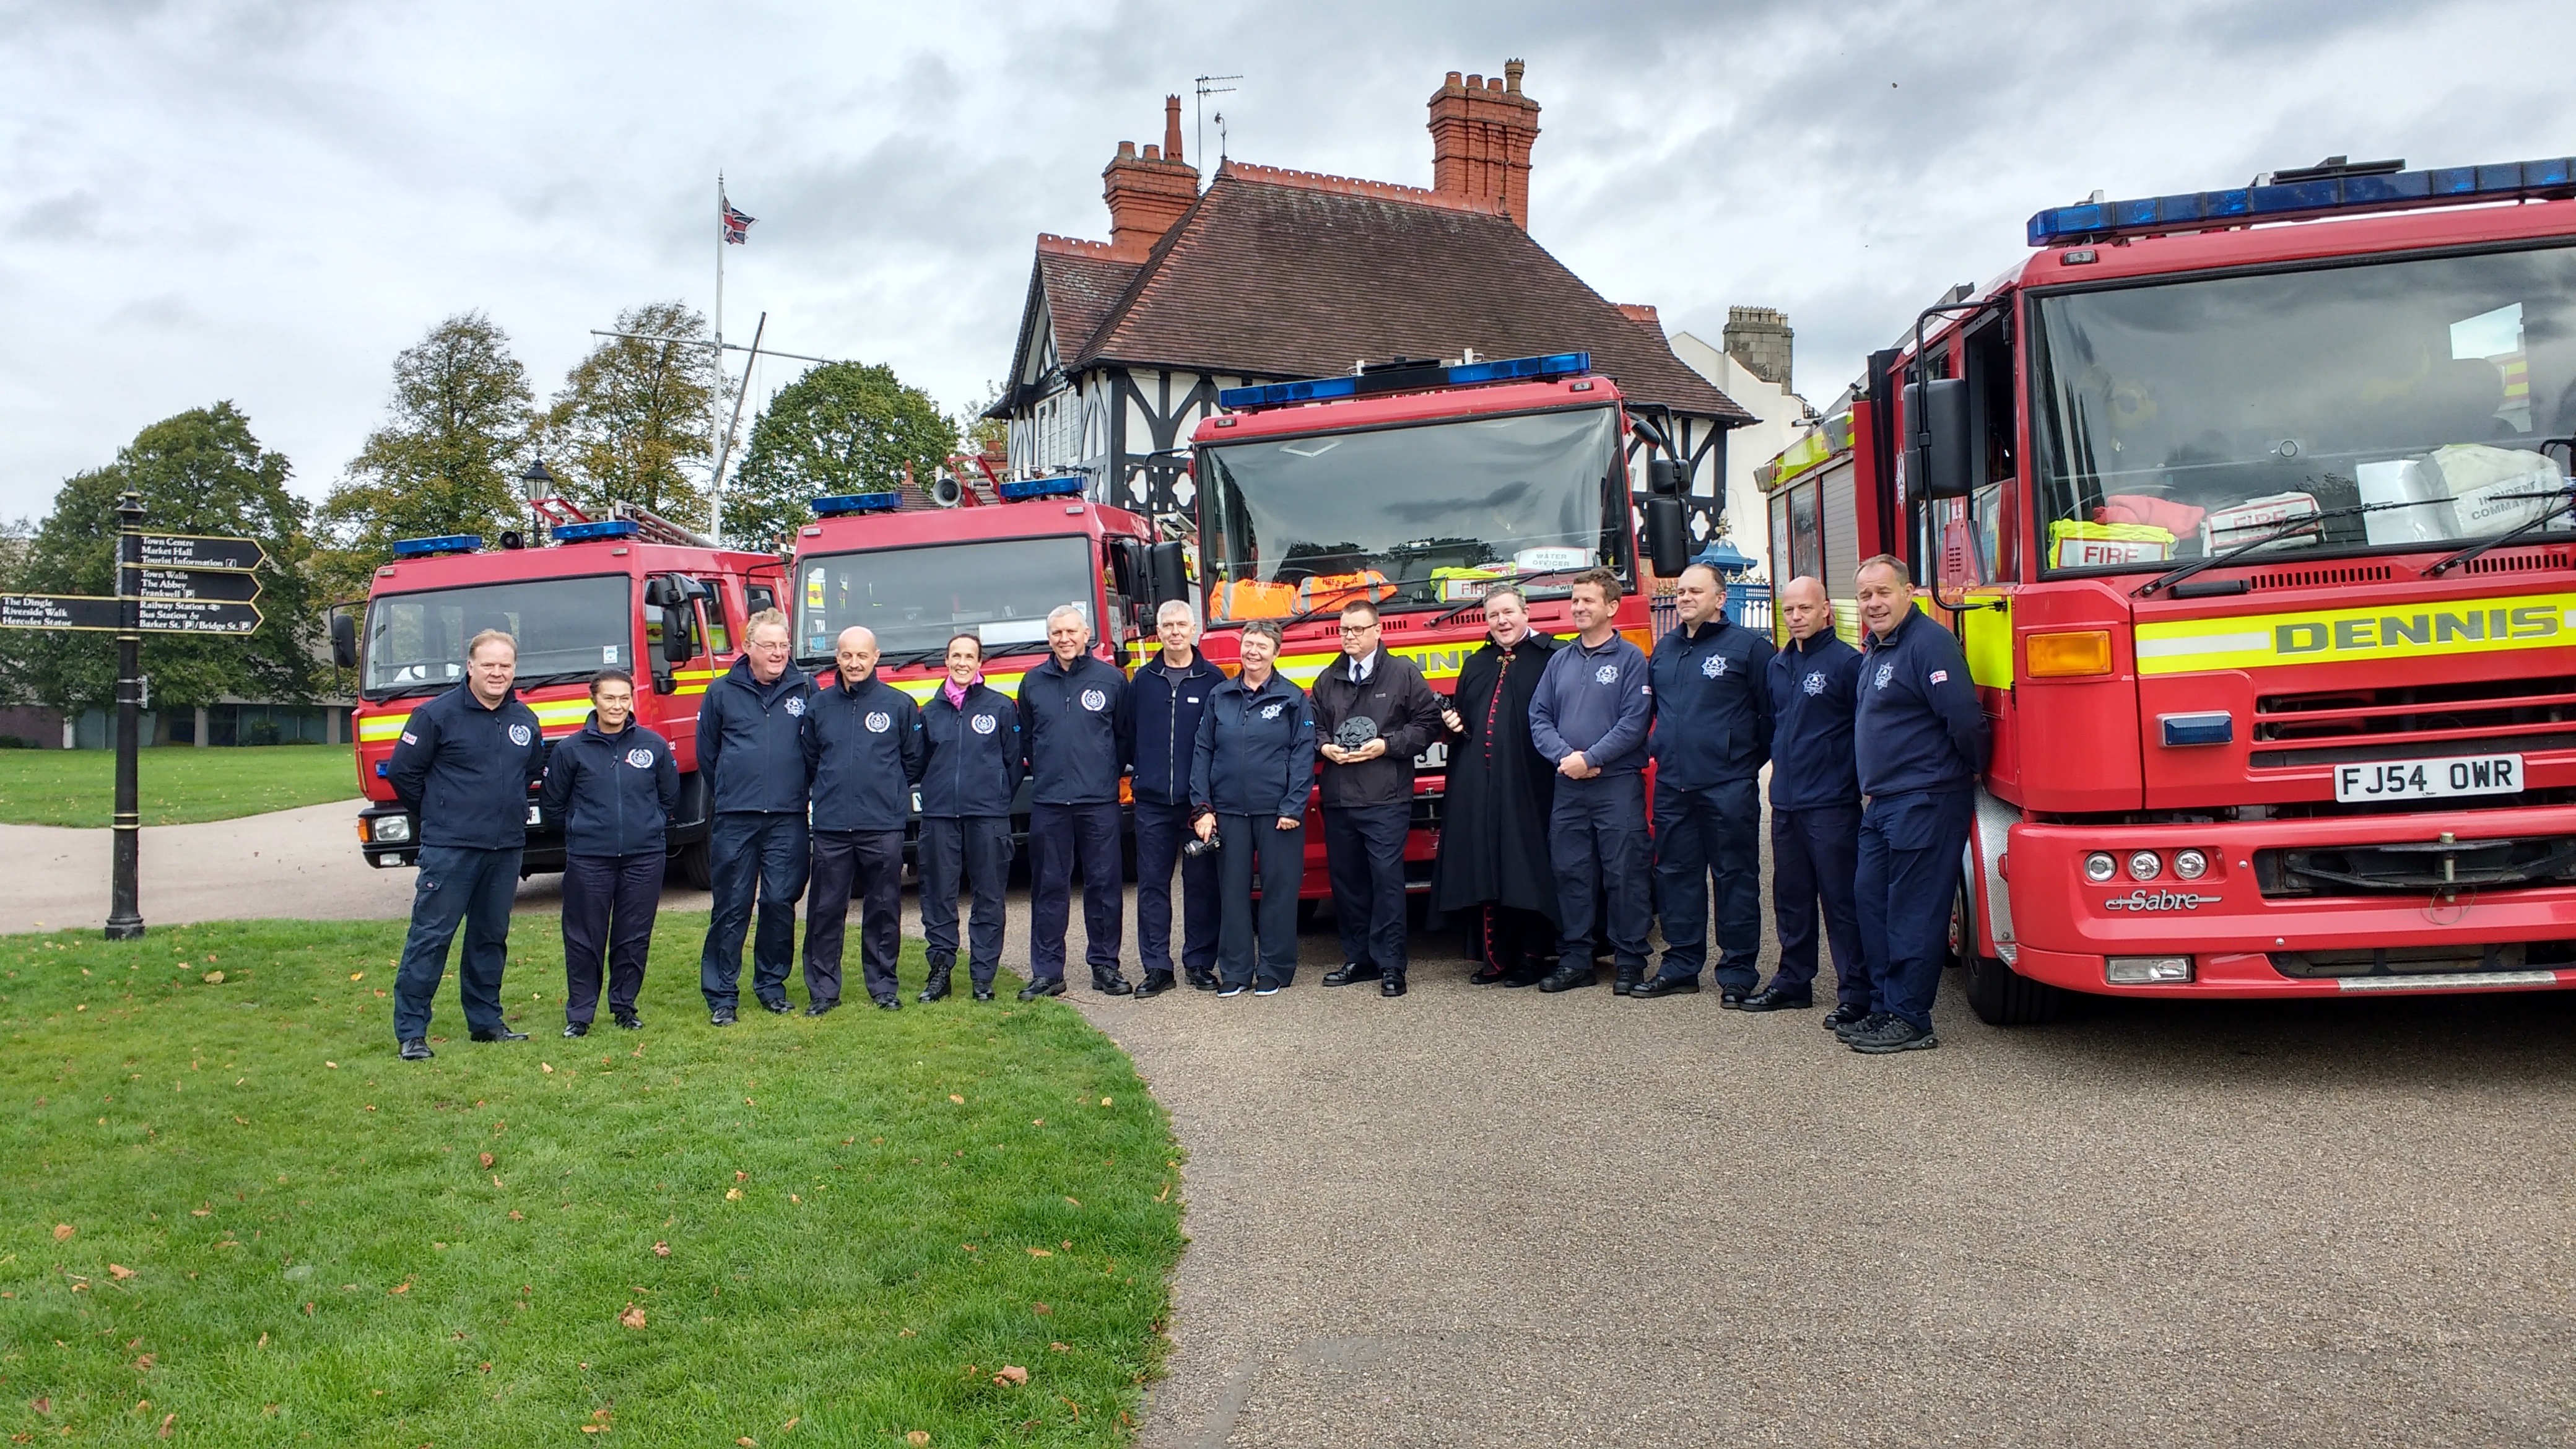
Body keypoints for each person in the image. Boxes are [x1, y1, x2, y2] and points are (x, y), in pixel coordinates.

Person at [1845, 554, 1990, 1054]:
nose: (1874, 603)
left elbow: (1964, 718)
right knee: (1873, 904)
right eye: (1865, 595)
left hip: (1925, 799)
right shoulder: (1877, 648)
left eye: (1883, 592)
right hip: (1884, 803)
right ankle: (1885, 1007)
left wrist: (1972, 767)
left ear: (1909, 593)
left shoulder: (1930, 644)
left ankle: (1910, 1018)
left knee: (1914, 912)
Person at [385, 629, 547, 1060]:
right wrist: (442, 813)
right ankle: (412, 1032)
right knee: (431, 938)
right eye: (488, 665)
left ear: (515, 669)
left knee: (489, 938)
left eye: (505, 665)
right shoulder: (435, 715)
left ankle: (486, 1022)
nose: (497, 673)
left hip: (505, 848)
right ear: (470, 666)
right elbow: (403, 774)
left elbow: (530, 771)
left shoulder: (524, 719)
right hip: (451, 848)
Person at [1638, 562, 1775, 1003]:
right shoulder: (1665, 649)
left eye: (1696, 591)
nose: (1685, 598)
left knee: (1735, 877)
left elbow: (1771, 717)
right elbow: (1655, 712)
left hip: (1727, 786)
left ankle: (1738, 972)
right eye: (1681, 591)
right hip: (1674, 784)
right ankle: (1681, 965)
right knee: (1676, 875)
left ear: (1720, 599)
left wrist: (1742, 760)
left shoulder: (1750, 648)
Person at [1527, 570, 1653, 993]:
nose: (1578, 608)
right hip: (1569, 785)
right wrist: (1567, 758)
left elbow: (1634, 723)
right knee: (1571, 872)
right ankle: (1576, 960)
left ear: (1612, 607)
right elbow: (1539, 717)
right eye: (1575, 601)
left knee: (1625, 873)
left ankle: (1630, 960)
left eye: (1588, 601)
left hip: (1616, 784)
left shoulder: (1631, 659)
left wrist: (1592, 758)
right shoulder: (1560, 660)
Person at [1311, 599, 1444, 997]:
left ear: (1377, 630)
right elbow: (1312, 726)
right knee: (1348, 883)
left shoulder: (1403, 673)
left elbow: (1428, 723)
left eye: (1357, 629)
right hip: (1339, 798)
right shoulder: (1327, 679)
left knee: (1387, 882)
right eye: (1344, 630)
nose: (1349, 637)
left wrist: (1388, 745)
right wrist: (1324, 747)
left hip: (1386, 798)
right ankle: (1359, 959)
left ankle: (1391, 965)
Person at [1430, 586, 1562, 986]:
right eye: (1493, 615)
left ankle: (1532, 956)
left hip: (1531, 784)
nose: (1502, 621)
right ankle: (1495, 957)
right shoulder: (1477, 663)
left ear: (1525, 613)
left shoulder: (1553, 657)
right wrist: (1451, 724)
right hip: (1480, 786)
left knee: (1527, 867)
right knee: (1487, 869)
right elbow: (1464, 723)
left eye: (1508, 613)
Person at [537, 668, 679, 1037]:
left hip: (644, 857)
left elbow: (669, 797)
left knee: (633, 936)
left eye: (624, 698)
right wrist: (582, 829)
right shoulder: (571, 750)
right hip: (589, 859)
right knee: (584, 938)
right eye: (609, 698)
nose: (617, 706)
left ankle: (624, 1007)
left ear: (632, 700)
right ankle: (580, 1015)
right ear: (594, 700)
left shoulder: (653, 745)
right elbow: (552, 805)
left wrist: (649, 824)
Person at [695, 608, 815, 1025]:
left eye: (783, 645)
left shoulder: (806, 688)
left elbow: (815, 748)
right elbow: (708, 754)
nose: (778, 653)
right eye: (769, 645)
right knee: (732, 906)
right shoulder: (720, 692)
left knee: (780, 902)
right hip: (736, 817)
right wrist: (735, 788)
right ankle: (722, 995)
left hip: (788, 817)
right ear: (748, 648)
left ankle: (771, 986)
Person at [1756, 575, 1866, 1022]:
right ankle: (1793, 981)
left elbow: (1864, 731)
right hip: (1786, 802)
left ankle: (1856, 992)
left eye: (1805, 608)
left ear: (1826, 610)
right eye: (1789, 610)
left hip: (1831, 804)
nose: (1796, 617)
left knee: (1841, 902)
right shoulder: (1778, 665)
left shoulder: (1847, 663)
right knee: (1792, 898)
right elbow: (1775, 725)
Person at [1190, 619, 1316, 996]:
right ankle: (1236, 971)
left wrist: (1293, 807)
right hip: (1228, 812)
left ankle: (1274, 969)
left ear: (1276, 653)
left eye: (1262, 646)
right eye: (1249, 644)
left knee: (1279, 893)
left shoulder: (1292, 698)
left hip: (1278, 814)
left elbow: (1303, 755)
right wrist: (1202, 808)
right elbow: (1203, 751)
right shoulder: (1220, 696)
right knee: (1232, 894)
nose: (1253, 652)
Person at [803, 625, 924, 1012]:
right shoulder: (819, 706)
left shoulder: (899, 705)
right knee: (825, 910)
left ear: (876, 657)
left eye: (861, 656)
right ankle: (824, 991)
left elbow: (913, 761)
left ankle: (883, 985)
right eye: (846, 656)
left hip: (882, 824)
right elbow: (810, 759)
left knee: (884, 907)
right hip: (832, 826)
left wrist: (885, 791)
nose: (854, 663)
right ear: (837, 658)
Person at [1016, 603, 1133, 1001]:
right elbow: (1029, 739)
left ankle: (1105, 965)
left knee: (1104, 884)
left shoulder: (1111, 680)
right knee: (1049, 887)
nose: (1064, 639)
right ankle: (1048, 972)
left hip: (1098, 801)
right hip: (1050, 801)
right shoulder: (1033, 682)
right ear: (1049, 638)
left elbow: (1123, 737)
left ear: (1086, 635)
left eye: (1071, 632)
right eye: (1057, 633)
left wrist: (1102, 773)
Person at [1125, 601, 1225, 996]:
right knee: (1152, 886)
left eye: (1182, 624)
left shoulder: (1212, 680)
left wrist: (1208, 802)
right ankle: (1157, 967)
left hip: (1196, 806)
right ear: (1159, 631)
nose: (1175, 632)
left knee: (1200, 885)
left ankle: (1199, 963)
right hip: (1151, 803)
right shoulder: (1142, 681)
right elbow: (1128, 734)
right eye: (1168, 625)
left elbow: (1220, 742)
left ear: (1194, 629)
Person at [918, 632, 1021, 1003]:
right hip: (940, 816)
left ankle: (983, 977)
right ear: (947, 661)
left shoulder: (1000, 707)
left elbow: (1013, 763)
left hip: (987, 816)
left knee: (989, 896)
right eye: (956, 656)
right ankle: (940, 972)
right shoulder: (930, 712)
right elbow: (920, 762)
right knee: (938, 896)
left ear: (980, 663)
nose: (962, 663)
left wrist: (995, 797)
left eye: (969, 657)